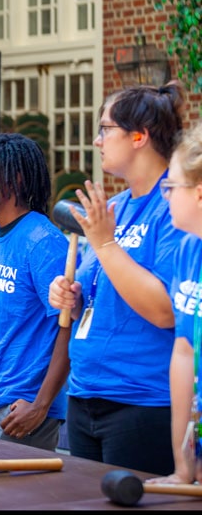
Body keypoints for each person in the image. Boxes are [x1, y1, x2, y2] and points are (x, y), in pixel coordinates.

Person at [48, 81, 186, 476]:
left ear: (139, 136)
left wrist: (106, 245)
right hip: (87, 392)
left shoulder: (174, 207)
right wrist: (70, 298)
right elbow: (105, 295)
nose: (96, 140)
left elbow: (164, 311)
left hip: (143, 401)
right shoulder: (114, 208)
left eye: (106, 129)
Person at [0, 132, 70, 451]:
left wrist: (40, 405)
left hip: (21, 407)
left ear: (15, 178)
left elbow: (67, 325)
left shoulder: (44, 242)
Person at [146, 122, 202, 485]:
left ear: (199, 193)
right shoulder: (188, 249)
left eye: (171, 186)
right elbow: (183, 353)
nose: (164, 196)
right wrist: (184, 468)